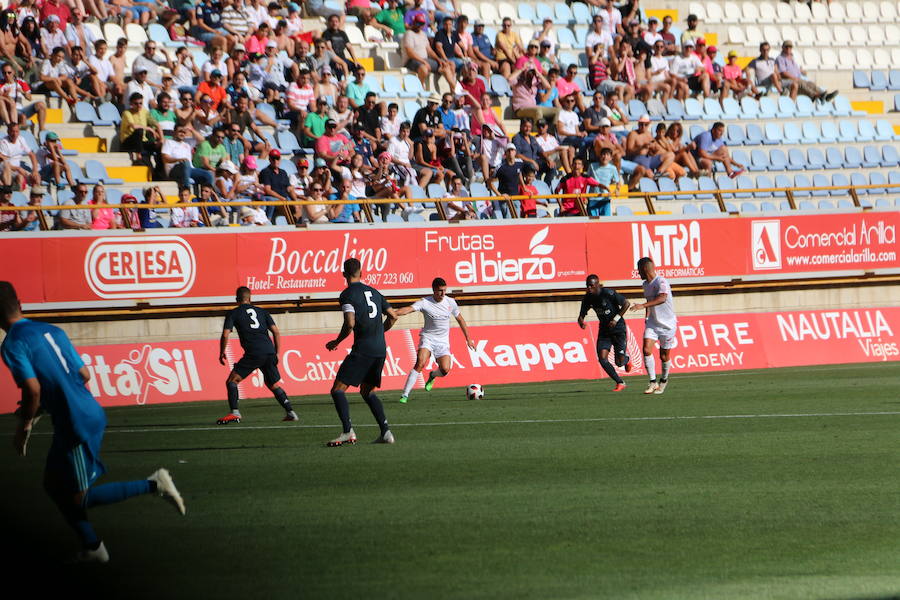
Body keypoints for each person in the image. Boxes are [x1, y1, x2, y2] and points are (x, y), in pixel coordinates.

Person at [0, 281, 184, 564]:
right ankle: (92, 546)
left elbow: (33, 389)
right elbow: (84, 374)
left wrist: (25, 424)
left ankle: (153, 485)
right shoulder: (51, 330)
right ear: (20, 303)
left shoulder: (12, 344)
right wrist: (44, 406)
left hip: (75, 424)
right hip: (86, 412)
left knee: (77, 499)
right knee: (52, 485)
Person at [324, 258, 399, 446]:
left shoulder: (347, 294)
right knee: (367, 392)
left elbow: (349, 322)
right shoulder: (374, 292)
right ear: (362, 273)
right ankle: (386, 432)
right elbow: (393, 316)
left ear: (343, 274)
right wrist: (381, 330)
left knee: (337, 390)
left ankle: (348, 431)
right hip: (380, 349)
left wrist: (337, 341)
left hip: (363, 349)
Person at [216, 286, 298, 424]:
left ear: (237, 299)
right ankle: (291, 412)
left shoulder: (233, 313)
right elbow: (276, 332)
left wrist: (222, 352)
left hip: (254, 352)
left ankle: (235, 413)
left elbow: (225, 334)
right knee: (273, 384)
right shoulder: (262, 311)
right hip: (269, 351)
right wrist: (276, 352)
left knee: (232, 381)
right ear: (250, 298)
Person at [395, 277, 475, 403]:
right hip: (428, 338)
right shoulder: (425, 302)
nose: (442, 293)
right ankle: (405, 395)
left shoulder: (450, 302)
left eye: (444, 290)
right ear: (433, 290)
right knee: (420, 363)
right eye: (439, 291)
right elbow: (409, 309)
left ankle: (432, 375)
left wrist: (468, 339)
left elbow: (460, 319)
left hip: (442, 342)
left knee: (445, 369)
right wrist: (394, 313)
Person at [629, 257, 677, 395]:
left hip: (667, 325)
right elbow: (649, 301)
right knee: (646, 349)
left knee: (664, 356)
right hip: (653, 323)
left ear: (644, 269)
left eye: (639, 270)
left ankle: (664, 380)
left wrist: (642, 306)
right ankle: (652, 382)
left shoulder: (661, 281)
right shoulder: (645, 284)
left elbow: (662, 298)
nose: (638, 273)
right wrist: (646, 316)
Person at [577, 274, 632, 392]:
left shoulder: (608, 293)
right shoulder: (588, 298)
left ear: (597, 285)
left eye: (591, 286)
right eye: (587, 286)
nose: (589, 288)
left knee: (619, 362)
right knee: (602, 359)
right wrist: (581, 321)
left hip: (618, 329)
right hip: (604, 331)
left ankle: (627, 359)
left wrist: (615, 319)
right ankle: (620, 382)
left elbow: (626, 304)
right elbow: (581, 315)